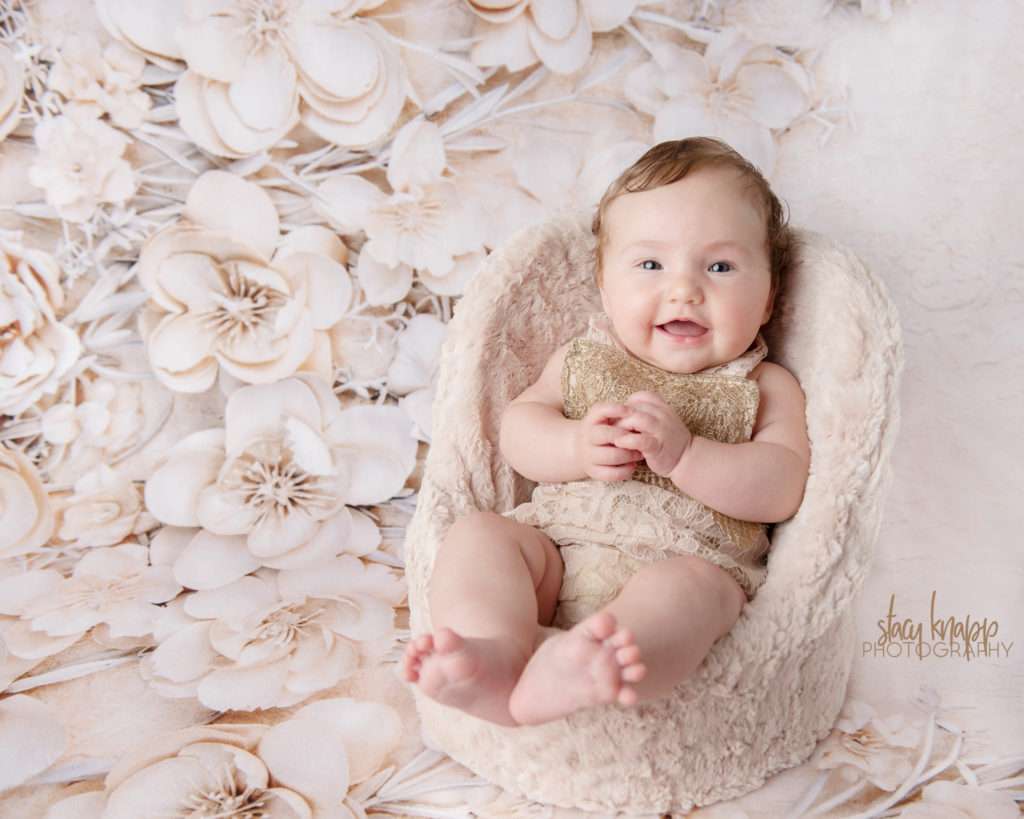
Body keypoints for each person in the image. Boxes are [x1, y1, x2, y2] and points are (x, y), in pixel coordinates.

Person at [403, 137, 811, 727]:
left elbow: (783, 486)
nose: (684, 289)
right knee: (481, 537)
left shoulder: (765, 385)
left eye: (720, 266)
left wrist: (689, 455)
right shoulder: (584, 360)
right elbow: (518, 432)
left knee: (692, 595)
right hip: (556, 555)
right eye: (650, 264)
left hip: (689, 558)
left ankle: (589, 665)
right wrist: (574, 445)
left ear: (769, 296)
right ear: (603, 284)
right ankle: (493, 653)